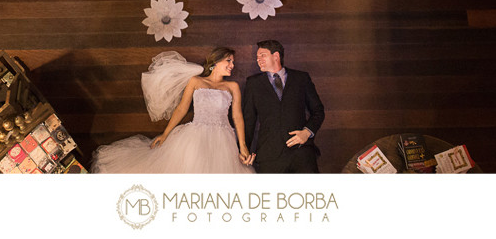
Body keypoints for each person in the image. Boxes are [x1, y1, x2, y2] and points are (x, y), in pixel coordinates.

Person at [91, 48, 254, 173]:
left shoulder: (232, 86)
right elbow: (182, 108)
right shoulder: (196, 81)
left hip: (223, 138)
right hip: (196, 136)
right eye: (228, 61)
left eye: (232, 62)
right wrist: (165, 134)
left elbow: (237, 117)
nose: (232, 66)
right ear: (215, 62)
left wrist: (243, 146)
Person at [242, 39, 325, 173]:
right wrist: (245, 150)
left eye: (262, 55)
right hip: (269, 156)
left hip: (301, 153)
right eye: (257, 57)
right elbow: (249, 120)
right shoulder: (253, 83)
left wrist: (306, 132)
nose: (258, 60)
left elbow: (318, 111)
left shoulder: (301, 78)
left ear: (276, 56)